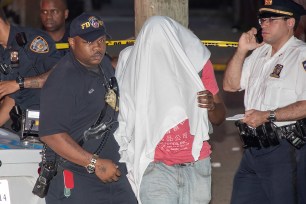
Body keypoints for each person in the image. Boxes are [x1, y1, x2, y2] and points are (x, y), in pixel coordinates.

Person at [114, 16, 226, 204]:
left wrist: (211, 107)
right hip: (156, 167)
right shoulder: (137, 67)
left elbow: (219, 117)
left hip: (196, 164)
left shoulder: (196, 65)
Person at [38, 12, 137, 204]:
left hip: (113, 173)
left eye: (101, 40)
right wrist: (95, 163)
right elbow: (51, 134)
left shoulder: (104, 65)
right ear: (72, 43)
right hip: (78, 175)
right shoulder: (64, 79)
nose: (97, 47)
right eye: (89, 42)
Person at [223, 0, 306, 203]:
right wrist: (242, 50)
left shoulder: (301, 55)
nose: (264, 24)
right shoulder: (259, 53)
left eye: (271, 19)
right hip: (252, 149)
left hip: (285, 150)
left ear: (290, 22)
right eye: (262, 19)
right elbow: (230, 85)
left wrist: (267, 115)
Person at [0, 7, 61, 130]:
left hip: (53, 122)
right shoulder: (2, 51)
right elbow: (9, 94)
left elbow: (59, 74)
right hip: (23, 126)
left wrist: (19, 84)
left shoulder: (32, 40)